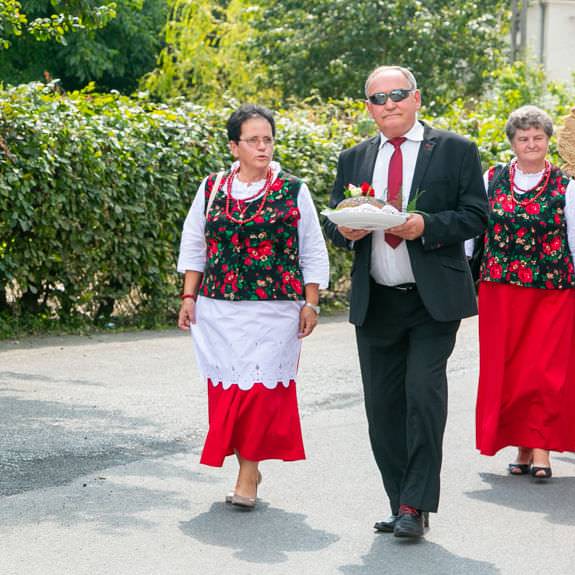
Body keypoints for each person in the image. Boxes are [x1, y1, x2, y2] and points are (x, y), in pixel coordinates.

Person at [324, 66, 487, 538]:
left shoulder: (455, 150)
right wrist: (346, 229)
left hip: (432, 301)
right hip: (376, 302)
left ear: (417, 98)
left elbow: (477, 215)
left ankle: (415, 505)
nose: (389, 104)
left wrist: (425, 226)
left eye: (398, 94)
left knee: (422, 397)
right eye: (378, 98)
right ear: (369, 108)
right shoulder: (353, 158)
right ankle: (399, 500)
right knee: (383, 408)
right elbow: (337, 221)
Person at [176, 104, 330, 509]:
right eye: (253, 140)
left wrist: (311, 302)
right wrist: (189, 296)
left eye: (268, 139)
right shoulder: (211, 188)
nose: (263, 147)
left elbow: (311, 247)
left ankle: (248, 475)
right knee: (230, 391)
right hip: (218, 307)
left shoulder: (293, 189)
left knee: (260, 392)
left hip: (275, 307)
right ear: (234, 146)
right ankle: (248, 464)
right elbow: (195, 243)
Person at [471, 105, 575, 480]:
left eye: (538, 138)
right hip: (500, 291)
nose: (531, 144)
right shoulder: (491, 177)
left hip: (551, 293)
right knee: (507, 371)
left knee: (544, 372)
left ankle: (540, 446)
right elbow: (471, 233)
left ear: (547, 141)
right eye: (523, 138)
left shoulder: (565, 185)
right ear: (512, 142)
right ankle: (520, 445)